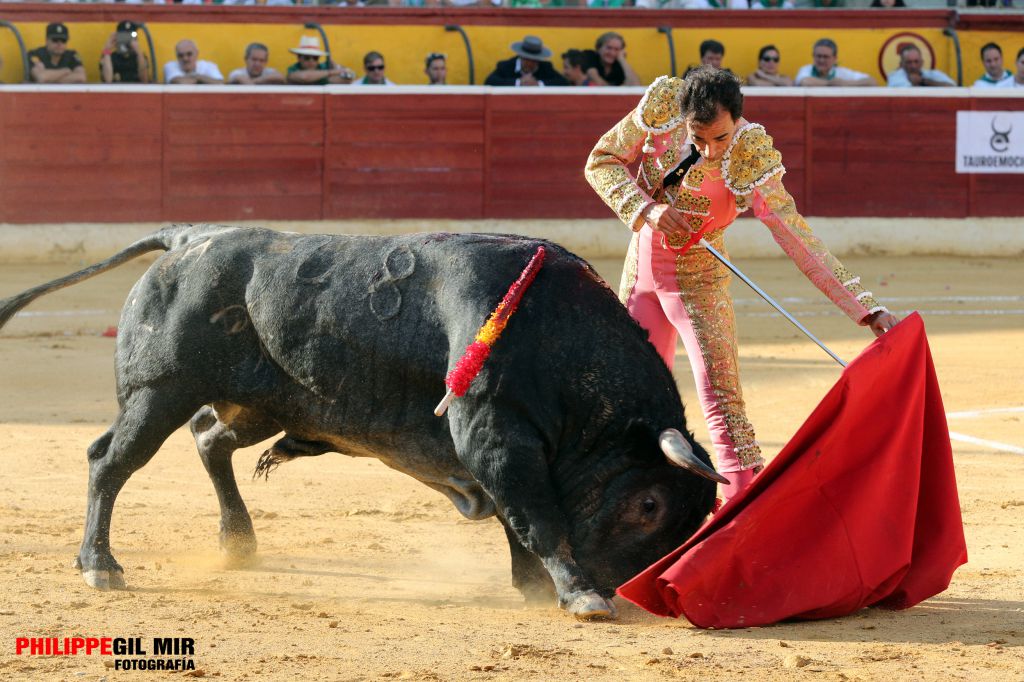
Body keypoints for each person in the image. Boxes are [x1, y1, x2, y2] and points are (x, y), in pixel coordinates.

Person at [584, 67, 899, 503]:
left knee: (722, 403)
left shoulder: (750, 151)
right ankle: (632, 516)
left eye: (720, 138)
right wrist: (645, 209)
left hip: (699, 282)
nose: (708, 151)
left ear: (737, 121)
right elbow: (601, 160)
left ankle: (741, 516)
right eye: (697, 139)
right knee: (629, 400)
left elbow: (794, 233)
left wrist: (865, 308)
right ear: (682, 117)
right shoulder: (662, 105)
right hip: (640, 271)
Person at [484, 35, 569, 87]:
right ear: (521, 56)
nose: (530, 63)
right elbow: (490, 81)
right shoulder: (506, 66)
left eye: (534, 60)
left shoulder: (545, 67)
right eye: (527, 59)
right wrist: (519, 82)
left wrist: (538, 84)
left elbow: (563, 82)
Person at [795, 38, 876, 87]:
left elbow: (872, 81)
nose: (821, 60)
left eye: (825, 57)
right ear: (813, 56)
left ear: (835, 58)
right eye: (818, 56)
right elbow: (805, 82)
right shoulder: (806, 69)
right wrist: (831, 83)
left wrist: (846, 84)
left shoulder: (841, 72)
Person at [285, 35, 354, 85]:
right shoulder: (293, 69)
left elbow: (349, 78)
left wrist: (336, 66)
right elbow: (304, 77)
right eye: (307, 58)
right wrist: (332, 72)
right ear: (299, 58)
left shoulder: (323, 67)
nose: (311, 61)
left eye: (315, 58)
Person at [887, 45, 955, 88]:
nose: (913, 66)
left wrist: (924, 81)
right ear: (901, 64)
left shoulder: (932, 74)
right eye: (909, 62)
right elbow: (908, 95)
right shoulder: (895, 76)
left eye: (916, 61)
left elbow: (953, 87)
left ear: (922, 62)